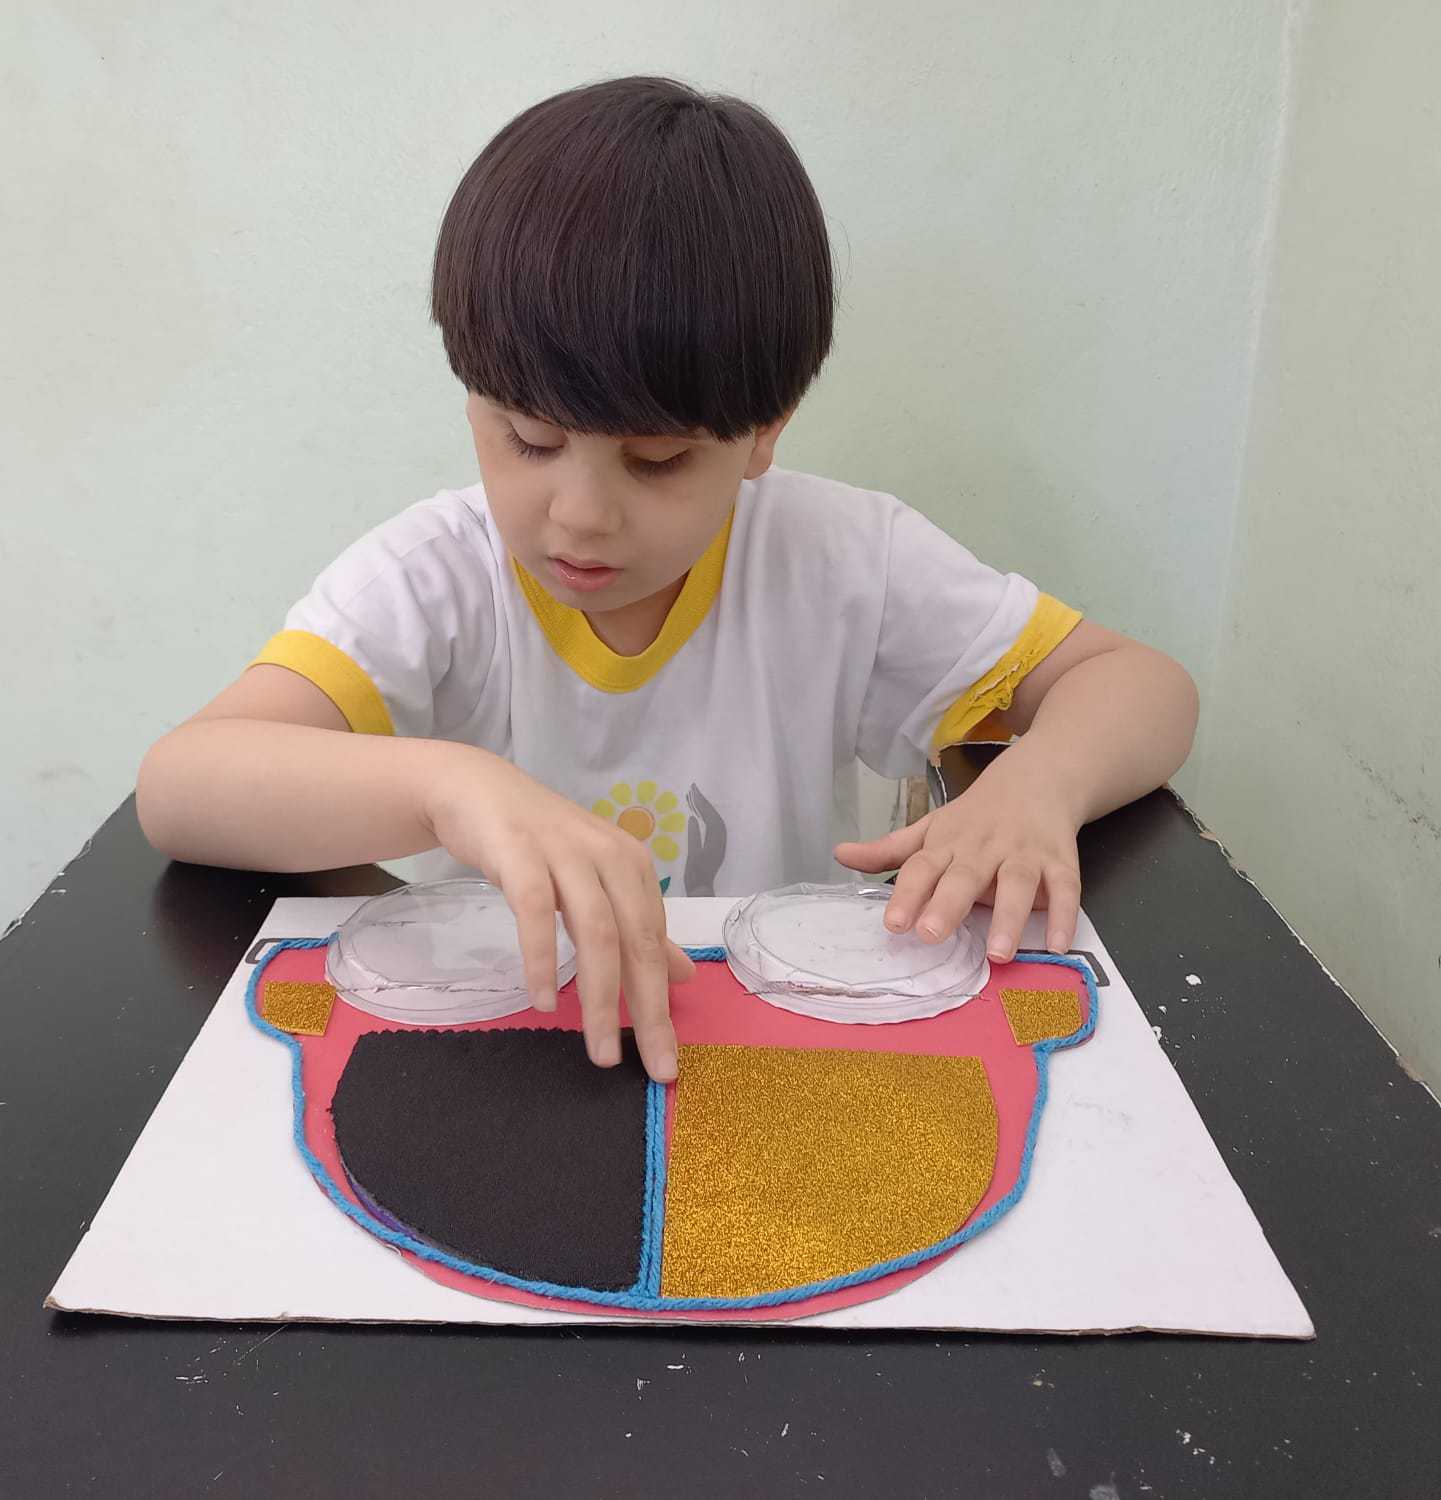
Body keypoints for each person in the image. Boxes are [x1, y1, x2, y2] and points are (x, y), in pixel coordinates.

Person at [137, 76, 1198, 1085]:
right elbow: (182, 787)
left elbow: (1140, 685)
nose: (579, 514)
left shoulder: (841, 560)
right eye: (528, 439)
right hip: (522, 1043)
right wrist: (448, 791)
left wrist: (1037, 784)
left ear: (762, 432)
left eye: (655, 461)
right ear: (473, 399)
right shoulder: (435, 576)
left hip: (776, 1037)